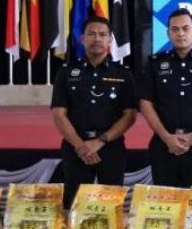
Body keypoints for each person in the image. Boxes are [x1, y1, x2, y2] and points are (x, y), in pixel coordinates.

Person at [51, 16, 137, 208]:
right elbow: (58, 114)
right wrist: (81, 146)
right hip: (76, 147)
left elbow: (130, 116)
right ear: (82, 38)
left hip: (111, 146)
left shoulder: (123, 74)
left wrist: (99, 142)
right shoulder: (66, 72)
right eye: (91, 34)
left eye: (102, 34)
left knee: (111, 204)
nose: (97, 39)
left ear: (110, 40)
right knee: (74, 204)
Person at [139, 8, 192, 188]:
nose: (180, 33)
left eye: (185, 28)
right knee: (164, 199)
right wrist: (166, 137)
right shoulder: (155, 63)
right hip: (163, 144)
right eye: (175, 29)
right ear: (168, 33)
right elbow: (145, 103)